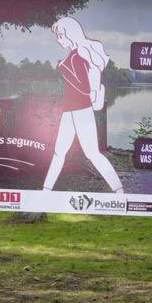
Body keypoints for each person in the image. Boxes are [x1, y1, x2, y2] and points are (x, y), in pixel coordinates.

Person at [41, 17, 124, 193]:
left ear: (70, 35)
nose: (58, 39)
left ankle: (119, 191)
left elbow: (85, 88)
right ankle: (45, 192)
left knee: (92, 154)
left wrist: (64, 70)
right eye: (58, 36)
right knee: (59, 153)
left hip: (81, 111)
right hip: (69, 111)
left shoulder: (77, 57)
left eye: (61, 35)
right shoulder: (73, 56)